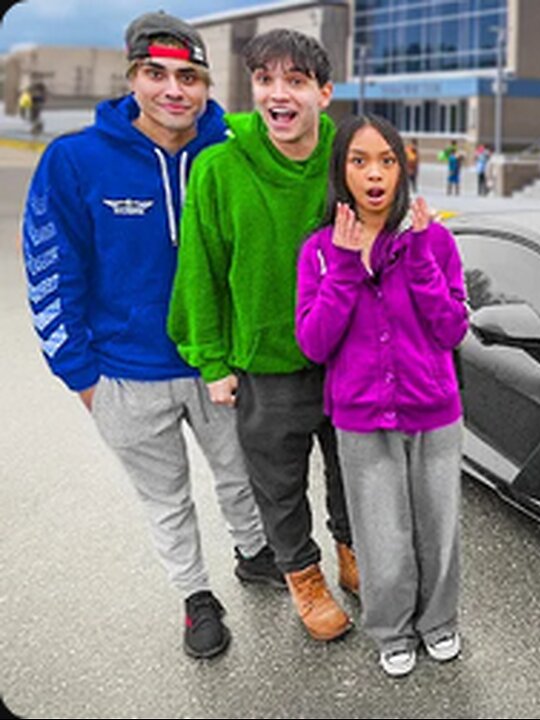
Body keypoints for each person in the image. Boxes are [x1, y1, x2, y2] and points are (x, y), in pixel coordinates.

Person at [21, 11, 279, 660]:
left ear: (206, 83)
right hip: (125, 376)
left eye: (189, 77)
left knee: (241, 476)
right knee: (167, 501)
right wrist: (82, 379)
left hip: (218, 365)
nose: (174, 90)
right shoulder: (75, 161)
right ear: (132, 76)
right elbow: (52, 270)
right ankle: (197, 600)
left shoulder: (234, 151)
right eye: (157, 74)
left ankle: (254, 554)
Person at [168, 29, 357, 642]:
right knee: (279, 485)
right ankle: (304, 577)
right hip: (267, 362)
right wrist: (213, 361)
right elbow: (200, 269)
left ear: (324, 94)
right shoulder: (220, 168)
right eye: (266, 80)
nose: (279, 94)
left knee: (354, 469)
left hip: (347, 355)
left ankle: (353, 554)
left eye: (296, 81)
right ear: (252, 89)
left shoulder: (347, 158)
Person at [296, 115, 468, 677]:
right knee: (380, 533)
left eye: (387, 161)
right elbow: (315, 343)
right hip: (362, 418)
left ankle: (439, 622)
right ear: (341, 171)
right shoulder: (320, 252)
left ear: (402, 169)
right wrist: (345, 270)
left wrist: (419, 262)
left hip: (433, 411)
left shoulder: (434, 240)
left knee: (437, 528)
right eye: (360, 160)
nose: (374, 175)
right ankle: (392, 629)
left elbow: (451, 329)